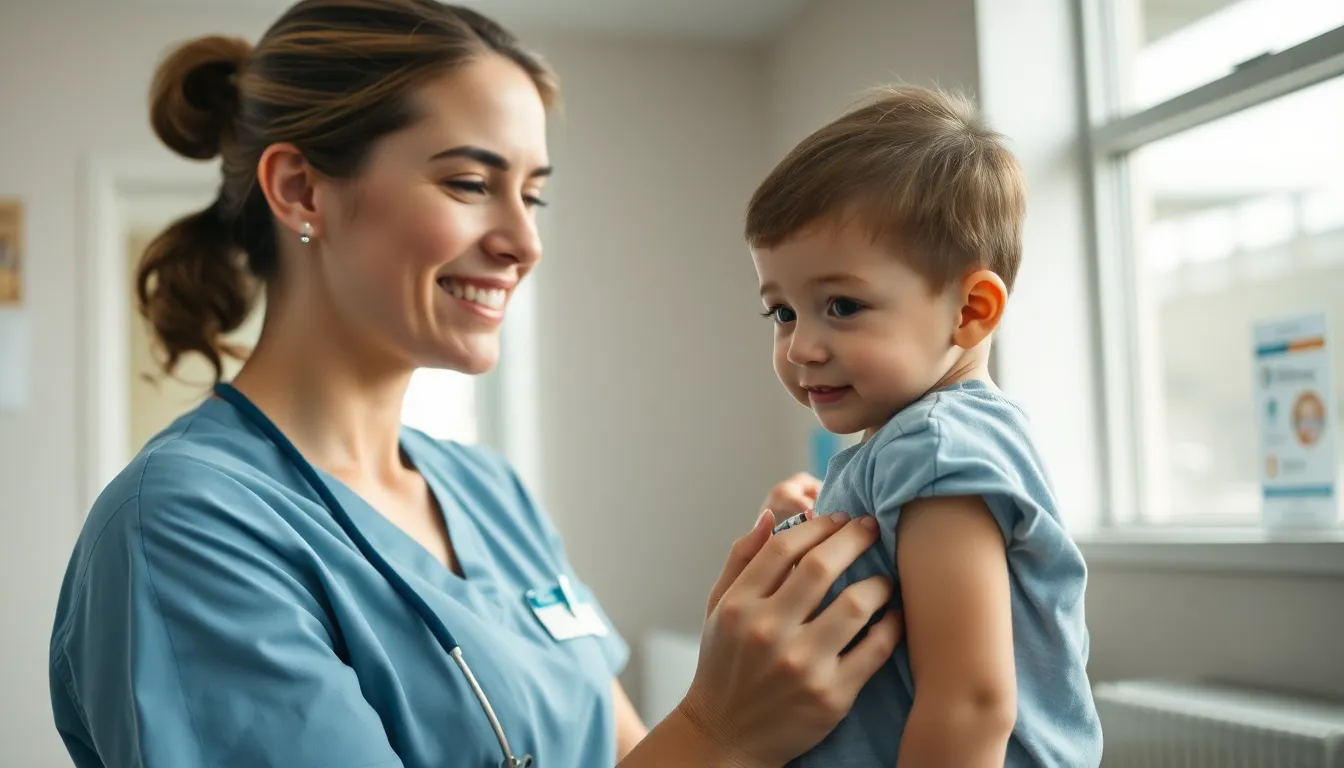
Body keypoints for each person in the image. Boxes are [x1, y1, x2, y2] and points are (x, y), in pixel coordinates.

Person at [46, 2, 904, 766]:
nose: (523, 242)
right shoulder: (181, 527)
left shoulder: (490, 493)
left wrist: (761, 640)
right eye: (468, 183)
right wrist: (723, 732)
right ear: (300, 189)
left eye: (532, 195)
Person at [746, 85, 1103, 766]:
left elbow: (971, 702)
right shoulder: (920, 445)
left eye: (842, 306)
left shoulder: (934, 445)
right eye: (782, 312)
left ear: (970, 310)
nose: (800, 347)